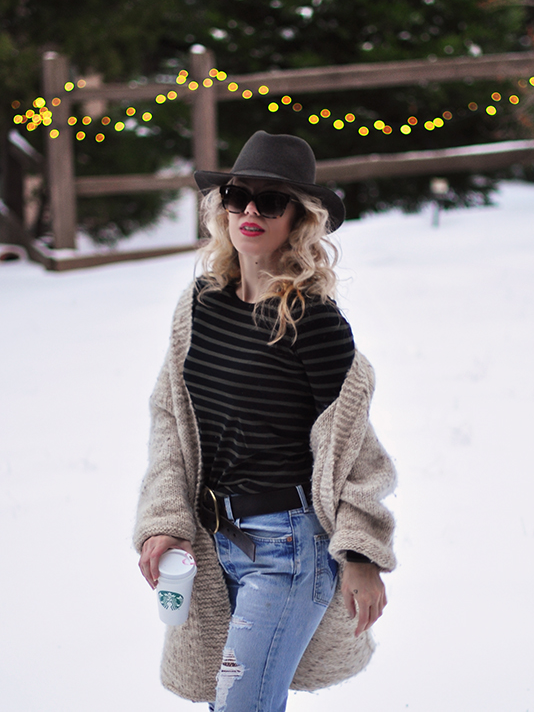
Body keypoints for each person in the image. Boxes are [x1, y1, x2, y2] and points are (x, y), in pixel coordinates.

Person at [134, 131, 397, 712]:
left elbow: (358, 453)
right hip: (213, 541)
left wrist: (361, 554)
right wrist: (164, 517)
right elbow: (171, 422)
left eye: (270, 201)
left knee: (239, 706)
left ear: (298, 219)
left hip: (288, 548)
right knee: (230, 701)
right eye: (237, 195)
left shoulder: (315, 322)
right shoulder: (201, 304)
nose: (250, 210)